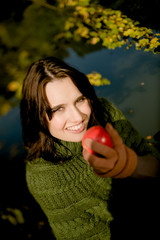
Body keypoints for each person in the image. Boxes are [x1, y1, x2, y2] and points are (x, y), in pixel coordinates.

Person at [20, 56, 160, 240]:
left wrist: (131, 165)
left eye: (80, 100)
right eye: (58, 109)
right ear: (37, 115)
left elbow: (154, 163)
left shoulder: (104, 112)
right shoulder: (45, 178)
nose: (78, 117)